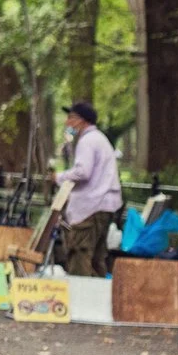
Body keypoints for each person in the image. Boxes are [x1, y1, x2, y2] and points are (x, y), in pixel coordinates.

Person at [55, 101, 123, 278]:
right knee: (97, 259)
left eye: (70, 118)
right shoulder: (100, 139)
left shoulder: (87, 141)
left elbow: (83, 172)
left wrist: (59, 177)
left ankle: (81, 299)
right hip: (105, 205)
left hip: (91, 206)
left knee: (79, 253)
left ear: (81, 120)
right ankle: (98, 300)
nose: (67, 123)